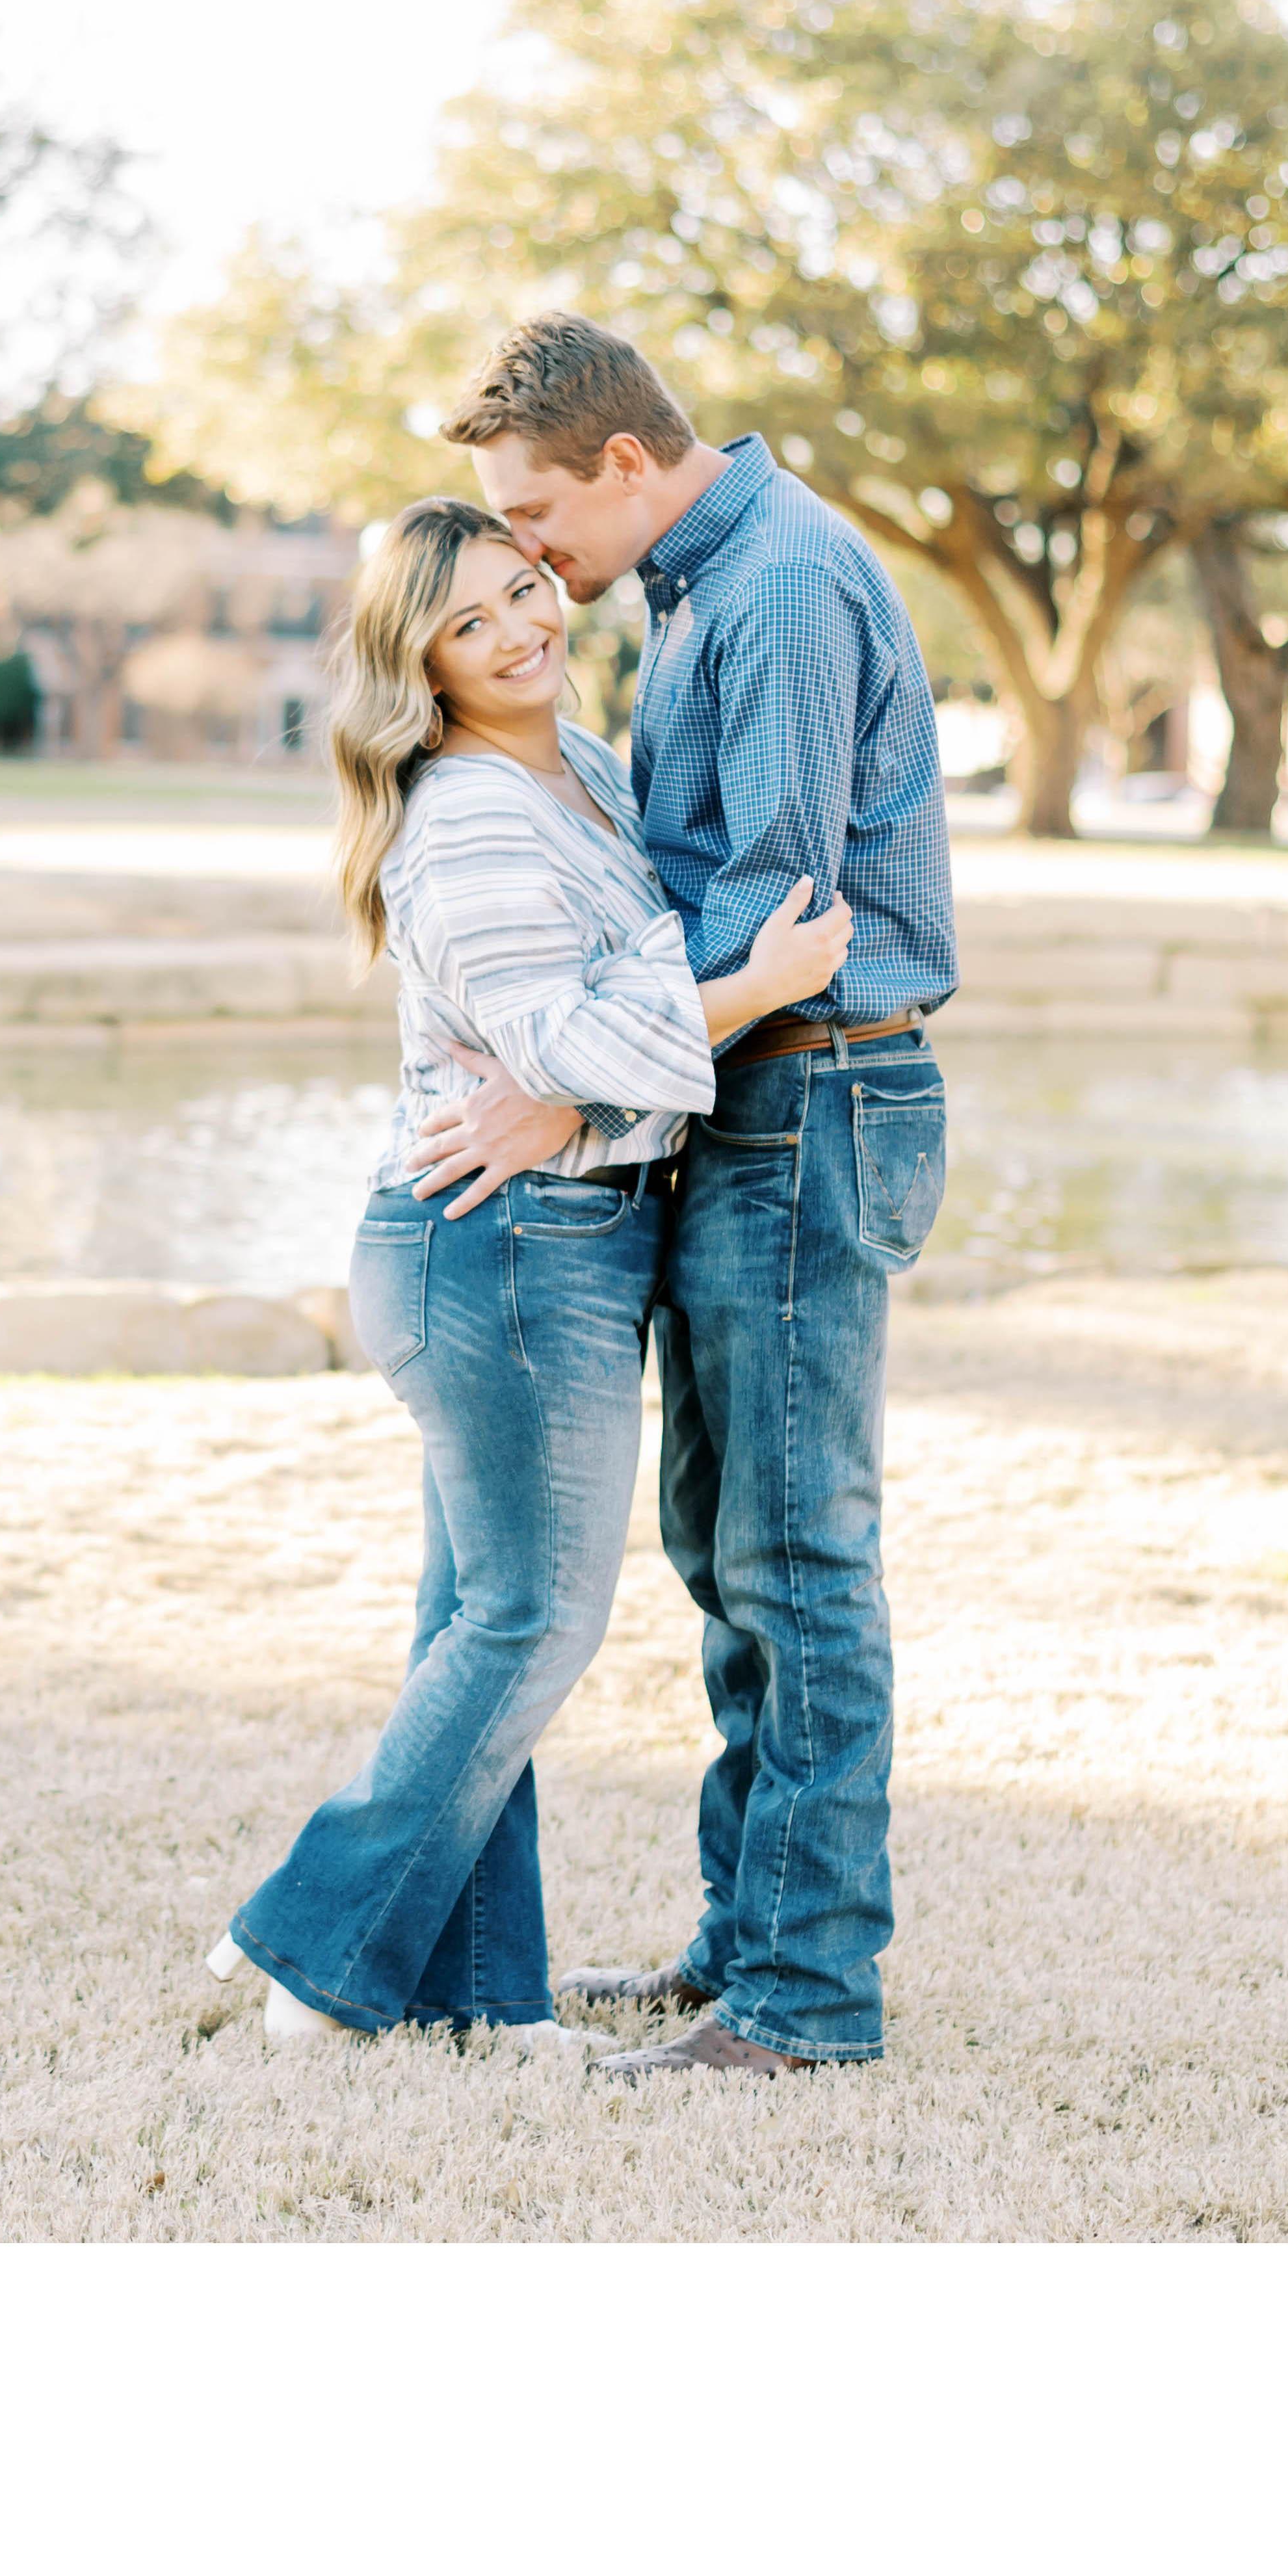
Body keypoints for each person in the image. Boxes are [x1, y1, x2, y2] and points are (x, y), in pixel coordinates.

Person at [207, 497, 853, 2053]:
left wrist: (598, 1047)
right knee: (531, 1624)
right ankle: (311, 1949)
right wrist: (753, 985)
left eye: (522, 591)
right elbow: (560, 1038)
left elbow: (572, 1025)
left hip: (554, 1238)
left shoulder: (584, 775)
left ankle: (489, 1996)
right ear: (422, 668)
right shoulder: (476, 808)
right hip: (502, 1250)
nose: (519, 632)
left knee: (480, 1622)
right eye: (470, 625)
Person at [412, 315, 956, 2077]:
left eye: (535, 510)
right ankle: (745, 1949)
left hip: (809, 1093)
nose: (527, 553)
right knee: (734, 1549)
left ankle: (802, 2002)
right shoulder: (698, 577)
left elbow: (775, 904)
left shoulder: (781, 584)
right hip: (750, 1095)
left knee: (796, 1557)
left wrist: (564, 1070)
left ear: (629, 464)